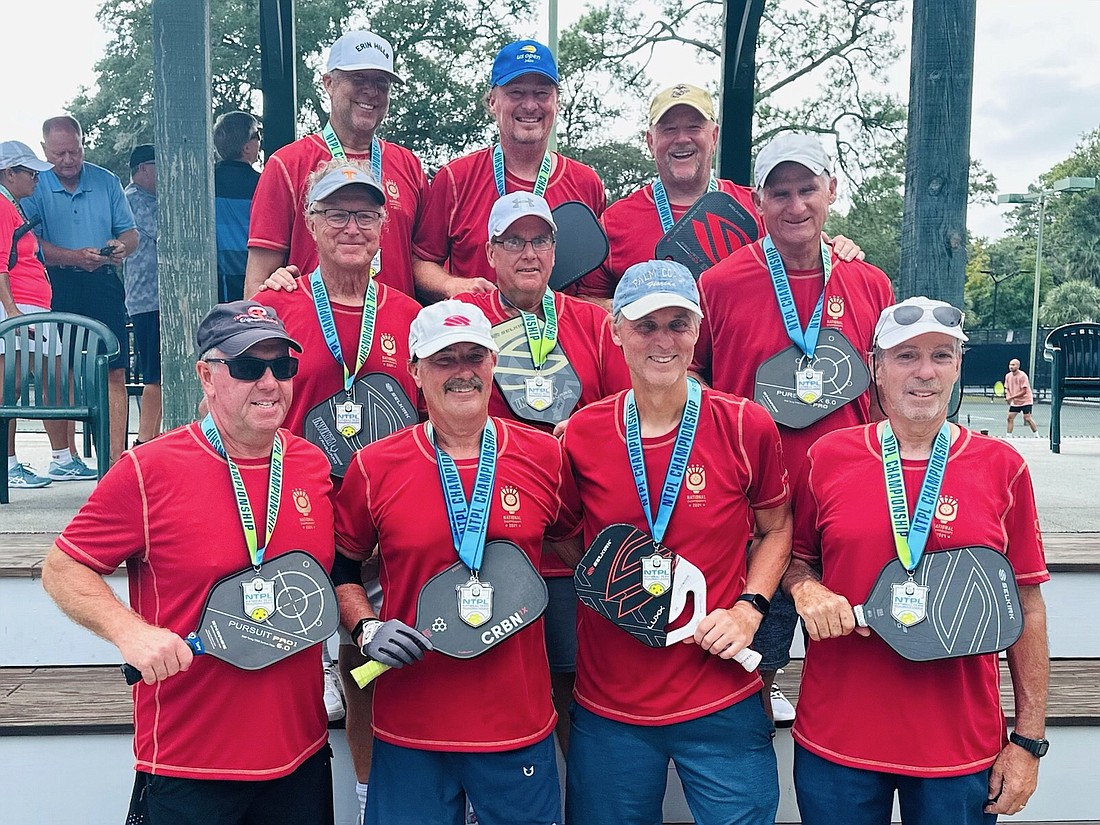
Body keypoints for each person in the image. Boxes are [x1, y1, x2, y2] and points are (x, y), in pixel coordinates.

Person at [40, 300, 337, 825]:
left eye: (283, 366)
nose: (270, 382)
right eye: (248, 367)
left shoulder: (311, 463)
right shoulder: (148, 469)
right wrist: (129, 632)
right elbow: (62, 567)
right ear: (206, 375)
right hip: (190, 764)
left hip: (301, 757)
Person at [782, 297, 1050, 825]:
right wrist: (805, 589)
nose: (924, 372)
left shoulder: (1003, 467)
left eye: (941, 355)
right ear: (875, 367)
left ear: (958, 366)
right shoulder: (827, 457)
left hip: (960, 749)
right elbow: (792, 559)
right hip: (839, 741)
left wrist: (1028, 740)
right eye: (906, 356)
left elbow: (1027, 606)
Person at [561, 261, 792, 825]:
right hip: (610, 703)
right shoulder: (582, 433)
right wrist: (615, 583)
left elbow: (778, 528)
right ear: (616, 330)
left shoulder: (744, 425)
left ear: (699, 329)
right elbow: (567, 539)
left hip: (721, 696)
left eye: (677, 324)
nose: (662, 341)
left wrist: (749, 608)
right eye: (646, 325)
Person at [333, 300, 580, 825]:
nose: (463, 371)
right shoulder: (374, 466)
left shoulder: (545, 456)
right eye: (445, 359)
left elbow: (574, 547)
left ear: (494, 364)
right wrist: (365, 626)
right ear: (416, 371)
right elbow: (343, 569)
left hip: (517, 720)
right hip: (411, 721)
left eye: (475, 356)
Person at [691, 132, 895, 725]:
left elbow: (885, 395)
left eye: (807, 188)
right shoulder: (721, 284)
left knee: (865, 657)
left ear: (831, 191)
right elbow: (695, 376)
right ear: (758, 201)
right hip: (760, 513)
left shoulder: (869, 282)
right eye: (779, 193)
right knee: (756, 660)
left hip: (850, 507)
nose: (795, 205)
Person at [255, 160, 423, 803]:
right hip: (296, 514)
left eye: (365, 215)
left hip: (383, 520)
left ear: (384, 226)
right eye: (335, 214)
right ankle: (342, 795)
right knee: (306, 663)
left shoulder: (410, 314)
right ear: (310, 225)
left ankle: (377, 795)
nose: (351, 227)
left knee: (374, 660)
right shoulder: (274, 307)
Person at [455, 191, 631, 753]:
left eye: (540, 240)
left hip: (574, 550)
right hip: (487, 543)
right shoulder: (465, 325)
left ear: (556, 251)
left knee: (576, 691)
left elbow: (623, 418)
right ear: (490, 252)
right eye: (513, 241)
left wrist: (579, 438)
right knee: (489, 690)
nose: (527, 253)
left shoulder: (592, 323)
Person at [574, 84, 860, 308]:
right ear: (650, 141)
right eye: (669, 129)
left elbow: (809, 256)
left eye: (694, 127)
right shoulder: (614, 221)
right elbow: (584, 302)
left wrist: (841, 249)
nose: (682, 138)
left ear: (714, 136)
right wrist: (632, 307)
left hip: (736, 370)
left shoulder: (760, 208)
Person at [411, 40, 606, 302]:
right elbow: (420, 261)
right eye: (516, 93)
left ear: (556, 101)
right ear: (493, 101)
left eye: (541, 93)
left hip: (559, 340)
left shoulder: (586, 183)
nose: (529, 105)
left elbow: (595, 288)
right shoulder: (456, 178)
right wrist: (451, 285)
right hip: (476, 337)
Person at [246, 30, 428, 299]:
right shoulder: (286, 164)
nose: (371, 91)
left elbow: (423, 264)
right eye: (358, 79)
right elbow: (256, 285)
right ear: (329, 83)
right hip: (310, 335)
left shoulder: (409, 165)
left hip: (394, 335)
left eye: (381, 81)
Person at [21, 114, 137, 469]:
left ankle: (115, 456)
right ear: (44, 150)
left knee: (114, 366)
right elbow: (28, 242)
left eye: (75, 151)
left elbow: (131, 234)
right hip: (54, 281)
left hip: (102, 281)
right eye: (59, 154)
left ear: (83, 145)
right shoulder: (33, 185)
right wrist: (72, 256)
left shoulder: (107, 181)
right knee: (57, 370)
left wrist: (119, 247)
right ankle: (62, 456)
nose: (68, 160)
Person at [0, 139, 72, 488]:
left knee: (52, 379)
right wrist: (12, 311)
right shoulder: (1, 205)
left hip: (30, 305)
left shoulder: (12, 205)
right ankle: (6, 464)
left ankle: (61, 458)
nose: (36, 179)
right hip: (18, 307)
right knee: (6, 388)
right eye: (30, 173)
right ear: (9, 173)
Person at [123, 143, 162, 446]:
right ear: (142, 170)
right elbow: (168, 231)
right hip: (149, 300)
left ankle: (152, 436)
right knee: (154, 375)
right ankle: (145, 440)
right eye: (157, 165)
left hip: (162, 302)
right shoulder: (133, 201)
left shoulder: (155, 198)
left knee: (156, 373)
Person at [214, 111, 262, 302]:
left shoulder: (205, 184)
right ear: (246, 147)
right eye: (257, 135)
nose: (260, 141)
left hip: (218, 274)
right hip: (256, 271)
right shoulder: (264, 184)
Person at [1005, 358, 1040, 436]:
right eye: (1010, 365)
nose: (1011, 366)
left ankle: (1037, 435)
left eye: (1013, 365)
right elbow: (1006, 388)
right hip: (1015, 402)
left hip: (1026, 400)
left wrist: (1011, 397)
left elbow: (1024, 391)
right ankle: (1008, 436)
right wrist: (1008, 396)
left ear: (1018, 366)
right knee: (1010, 418)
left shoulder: (1023, 376)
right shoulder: (1008, 376)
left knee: (1027, 418)